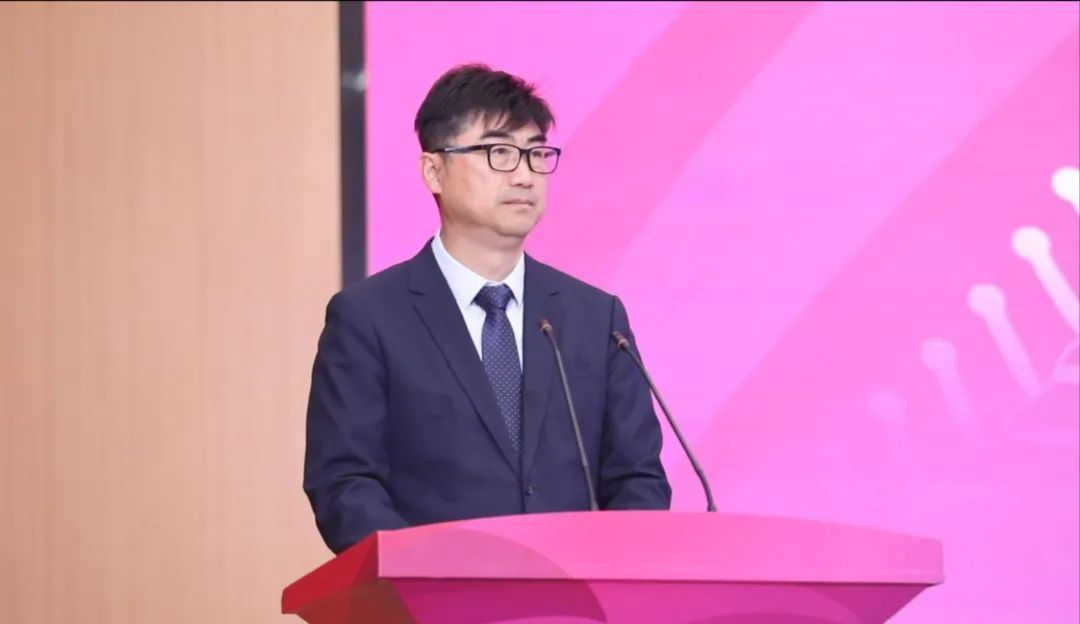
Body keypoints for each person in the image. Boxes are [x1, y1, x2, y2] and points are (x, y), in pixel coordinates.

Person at [303, 64, 671, 554]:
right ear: (434, 171)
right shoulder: (367, 319)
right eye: (499, 152)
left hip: (572, 591)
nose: (524, 175)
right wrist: (428, 573)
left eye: (535, 153)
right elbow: (345, 484)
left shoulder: (596, 318)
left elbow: (637, 480)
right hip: (432, 592)